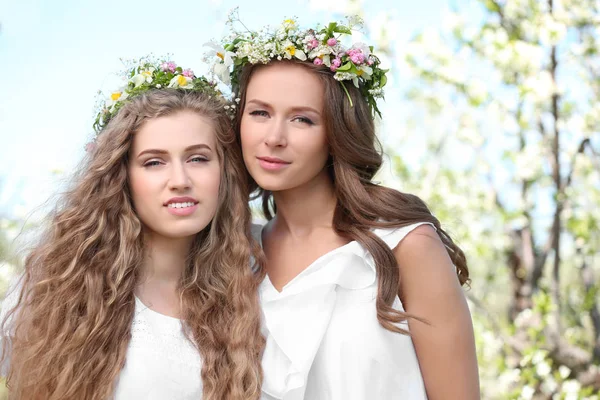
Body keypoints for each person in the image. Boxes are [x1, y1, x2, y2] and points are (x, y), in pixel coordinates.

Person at [207, 15, 480, 400]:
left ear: (336, 132)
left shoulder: (405, 245)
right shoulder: (232, 253)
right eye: (260, 113)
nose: (274, 137)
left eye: (302, 119)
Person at [0, 58, 265, 400]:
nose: (180, 181)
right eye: (154, 162)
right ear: (121, 176)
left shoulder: (254, 280)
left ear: (223, 171)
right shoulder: (60, 287)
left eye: (198, 158)